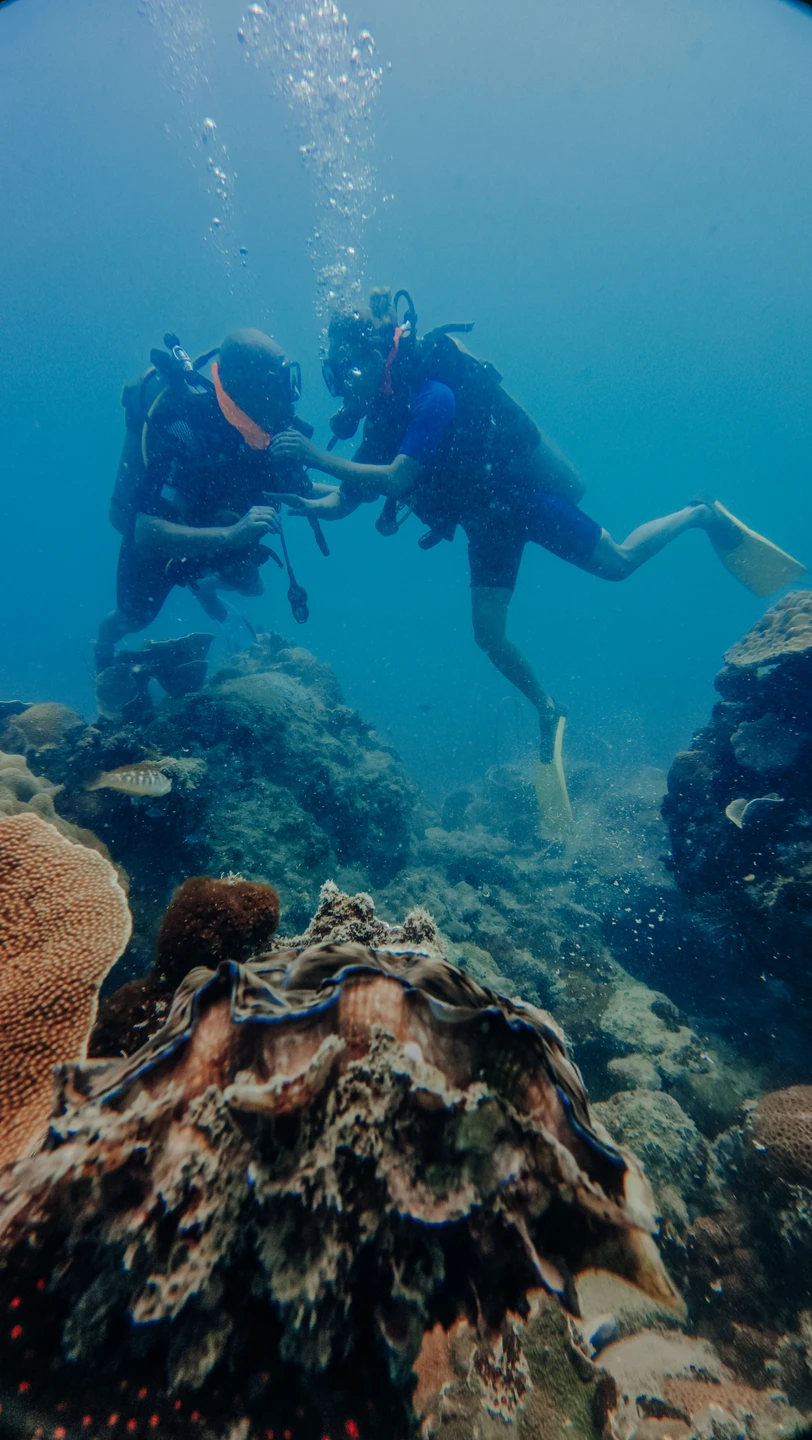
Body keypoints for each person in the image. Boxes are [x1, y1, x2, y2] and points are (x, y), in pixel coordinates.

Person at [270, 288, 804, 762]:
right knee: (488, 635)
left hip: (519, 499)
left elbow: (396, 477)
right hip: (484, 524)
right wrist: (300, 499)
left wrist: (315, 456)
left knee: (616, 564)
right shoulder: (384, 421)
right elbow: (347, 498)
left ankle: (699, 514)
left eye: (347, 374)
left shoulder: (434, 393)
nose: (342, 390)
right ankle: (549, 707)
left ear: (371, 358)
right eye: (335, 377)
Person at [96, 327, 331, 674]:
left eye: (287, 381)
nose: (289, 398)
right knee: (133, 618)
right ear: (247, 387)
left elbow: (305, 488)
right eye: (277, 385)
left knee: (254, 587)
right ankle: (101, 648)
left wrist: (366, 483)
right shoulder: (185, 428)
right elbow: (145, 533)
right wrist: (232, 535)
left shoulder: (266, 431)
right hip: (164, 549)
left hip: (223, 535)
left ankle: (205, 587)